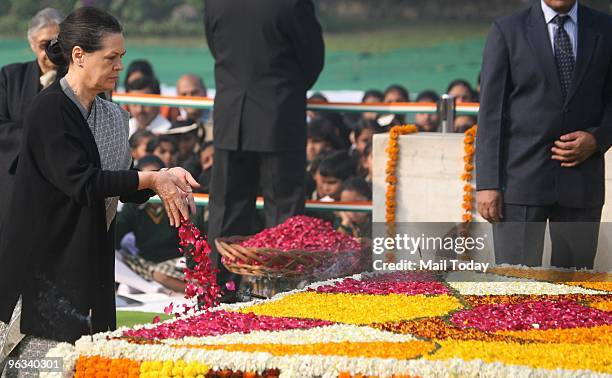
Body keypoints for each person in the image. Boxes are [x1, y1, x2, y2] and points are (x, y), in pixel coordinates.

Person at [0, 6, 199, 356]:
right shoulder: (49, 109)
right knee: (44, 363)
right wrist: (150, 179)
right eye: (111, 58)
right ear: (79, 56)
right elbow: (84, 183)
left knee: (93, 358)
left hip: (92, 254)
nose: (119, 67)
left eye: (121, 57)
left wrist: (165, 179)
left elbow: (122, 180)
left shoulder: (110, 113)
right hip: (48, 258)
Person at [476, 0, 612, 269]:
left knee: (575, 289)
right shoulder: (507, 30)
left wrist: (598, 139)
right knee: (516, 288)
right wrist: (488, 184)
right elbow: (491, 114)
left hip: (581, 180)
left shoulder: (606, 28)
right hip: (520, 182)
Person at [204, 0, 324, 293]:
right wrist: (283, 86)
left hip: (232, 115)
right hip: (278, 113)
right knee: (284, 214)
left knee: (225, 211)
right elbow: (312, 59)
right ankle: (280, 292)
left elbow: (216, 47)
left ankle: (217, 292)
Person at [0, 8, 64, 235]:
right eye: (43, 44)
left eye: (57, 43)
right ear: (32, 45)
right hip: (15, 182)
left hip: (62, 185)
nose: (50, 51)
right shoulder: (10, 77)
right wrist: (39, 139)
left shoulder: (80, 81)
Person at [116, 155, 206, 294]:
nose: (152, 186)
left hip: (174, 261)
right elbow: (117, 235)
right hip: (145, 262)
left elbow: (194, 238)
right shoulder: (133, 206)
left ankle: (198, 291)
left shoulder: (177, 200)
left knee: (161, 275)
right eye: (147, 180)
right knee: (121, 277)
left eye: (156, 179)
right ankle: (156, 287)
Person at [175, 73, 213, 141]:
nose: (189, 98)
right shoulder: (176, 127)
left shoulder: (219, 122)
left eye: (194, 93)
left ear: (205, 92)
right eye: (184, 94)